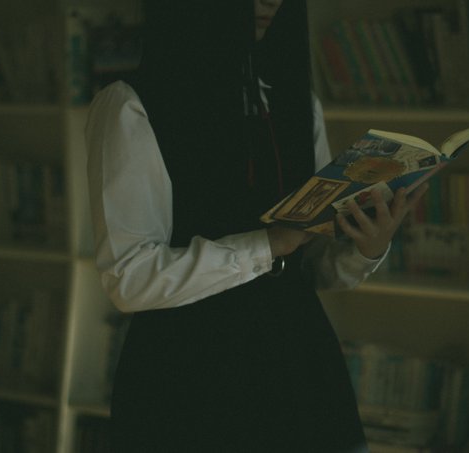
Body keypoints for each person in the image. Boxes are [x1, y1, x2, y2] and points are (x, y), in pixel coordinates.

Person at [85, 0, 428, 451]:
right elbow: (128, 278)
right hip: (188, 376)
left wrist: (366, 247)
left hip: (300, 365)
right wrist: (266, 245)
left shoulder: (297, 101)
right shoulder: (132, 104)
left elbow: (313, 268)